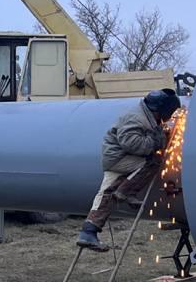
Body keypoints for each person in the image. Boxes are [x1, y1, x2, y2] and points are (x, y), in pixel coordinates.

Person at [77, 88, 182, 251]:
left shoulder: (147, 115)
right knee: (154, 161)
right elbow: (131, 143)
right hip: (118, 157)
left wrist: (160, 135)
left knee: (106, 194)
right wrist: (155, 142)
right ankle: (126, 192)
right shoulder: (137, 118)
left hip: (118, 156)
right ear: (160, 110)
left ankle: (88, 233)